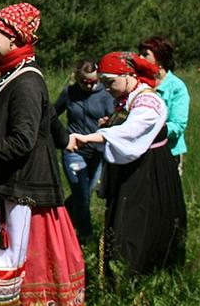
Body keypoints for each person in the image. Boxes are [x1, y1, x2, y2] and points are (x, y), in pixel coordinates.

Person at [0, 3, 85, 306]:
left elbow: (22, 141)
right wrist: (66, 140)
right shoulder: (17, 72)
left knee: (5, 256)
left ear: (12, 35)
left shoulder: (24, 81)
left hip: (18, 186)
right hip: (14, 182)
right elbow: (50, 117)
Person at [68, 51, 187, 278]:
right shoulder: (128, 97)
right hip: (133, 167)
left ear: (128, 75)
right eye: (102, 83)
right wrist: (111, 121)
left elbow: (131, 131)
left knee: (138, 222)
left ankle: (134, 276)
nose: (106, 88)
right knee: (124, 218)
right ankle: (119, 276)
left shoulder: (148, 101)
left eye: (110, 82)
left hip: (149, 170)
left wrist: (88, 137)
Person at [54, 61, 115, 243]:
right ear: (77, 78)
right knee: (81, 195)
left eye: (92, 81)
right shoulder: (70, 92)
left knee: (85, 195)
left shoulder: (105, 94)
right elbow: (52, 114)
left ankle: (61, 220)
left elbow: (116, 118)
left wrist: (107, 121)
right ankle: (86, 236)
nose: (89, 85)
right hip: (74, 151)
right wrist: (62, 138)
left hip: (96, 152)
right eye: (85, 82)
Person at [138, 35, 190, 175]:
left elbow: (178, 125)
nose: (140, 58)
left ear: (159, 58)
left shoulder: (177, 87)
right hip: (140, 151)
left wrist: (150, 129)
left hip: (167, 152)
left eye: (145, 55)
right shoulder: (137, 83)